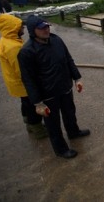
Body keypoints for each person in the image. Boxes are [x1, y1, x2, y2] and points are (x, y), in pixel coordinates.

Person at [18, 15, 90, 159]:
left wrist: (77, 78)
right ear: (33, 31)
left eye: (47, 26)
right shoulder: (27, 52)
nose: (46, 30)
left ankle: (73, 132)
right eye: (41, 28)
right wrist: (37, 103)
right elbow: (28, 80)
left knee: (70, 112)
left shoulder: (57, 40)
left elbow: (68, 60)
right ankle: (61, 149)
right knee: (53, 124)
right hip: (48, 95)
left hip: (65, 88)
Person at [0, 13, 48, 139]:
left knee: (25, 103)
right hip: (22, 83)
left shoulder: (5, 40)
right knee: (32, 105)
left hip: (15, 82)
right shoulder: (14, 48)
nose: (23, 29)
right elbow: (22, 70)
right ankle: (38, 129)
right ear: (13, 28)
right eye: (20, 27)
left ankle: (28, 123)